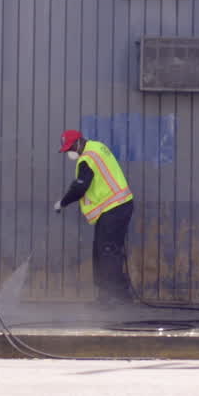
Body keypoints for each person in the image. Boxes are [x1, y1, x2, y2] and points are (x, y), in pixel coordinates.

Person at [53, 129, 136, 305]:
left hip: (114, 207)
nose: (70, 153)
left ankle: (117, 296)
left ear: (78, 142)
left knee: (107, 252)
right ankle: (108, 296)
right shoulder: (97, 147)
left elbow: (80, 188)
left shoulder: (87, 158)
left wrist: (62, 202)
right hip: (117, 206)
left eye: (70, 148)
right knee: (103, 251)